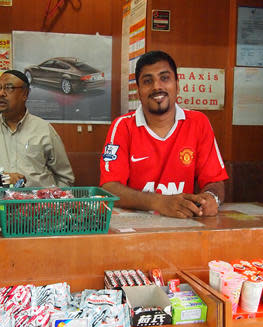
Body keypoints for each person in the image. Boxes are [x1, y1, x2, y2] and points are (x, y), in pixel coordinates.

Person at [100, 50, 228, 218]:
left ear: (177, 84)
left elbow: (215, 180)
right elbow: (109, 188)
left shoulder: (198, 123)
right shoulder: (122, 127)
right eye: (147, 81)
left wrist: (211, 198)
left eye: (164, 78)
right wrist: (159, 202)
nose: (157, 86)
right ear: (138, 91)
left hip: (184, 225)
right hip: (134, 229)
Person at [0, 70, 74, 187]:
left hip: (38, 204)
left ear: (25, 94)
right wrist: (3, 179)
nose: (1, 93)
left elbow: (65, 178)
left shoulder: (44, 129)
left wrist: (55, 203)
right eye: (0, 88)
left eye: (9, 88)